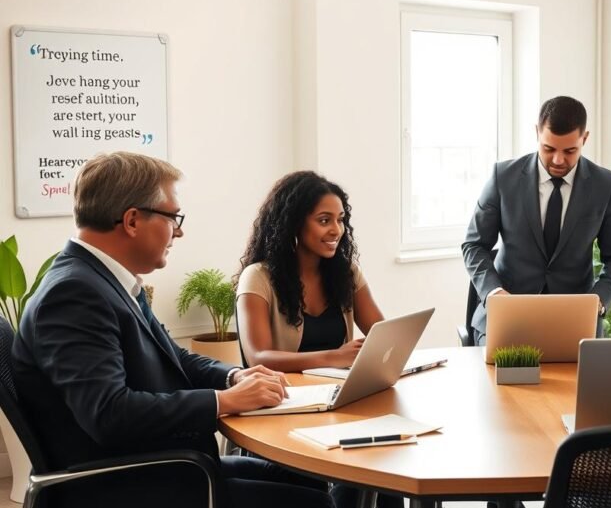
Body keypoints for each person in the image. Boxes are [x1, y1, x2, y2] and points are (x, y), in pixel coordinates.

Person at [11, 152, 332, 508]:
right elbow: (109, 413)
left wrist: (234, 378)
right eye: (172, 217)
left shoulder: (107, 280)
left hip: (162, 465)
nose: (178, 230)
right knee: (315, 502)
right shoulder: (73, 294)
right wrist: (223, 402)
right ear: (132, 220)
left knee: (308, 479)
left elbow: (173, 356)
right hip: (126, 485)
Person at [235, 170, 400, 508]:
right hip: (286, 407)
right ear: (295, 223)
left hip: (340, 401)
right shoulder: (259, 278)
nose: (335, 230)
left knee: (385, 464)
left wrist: (387, 352)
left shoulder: (345, 272)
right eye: (324, 220)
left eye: (340, 220)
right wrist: (332, 356)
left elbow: (382, 332)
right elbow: (257, 357)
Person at [463, 96, 611, 344]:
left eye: (570, 151)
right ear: (537, 133)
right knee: (509, 382)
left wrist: (597, 300)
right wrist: (493, 292)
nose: (558, 160)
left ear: (584, 138)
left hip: (576, 323)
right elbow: (474, 245)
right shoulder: (503, 178)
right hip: (507, 319)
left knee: (578, 384)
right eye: (549, 148)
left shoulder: (605, 186)